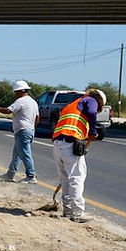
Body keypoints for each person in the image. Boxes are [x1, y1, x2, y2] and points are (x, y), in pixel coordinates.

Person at [52, 88, 106, 223]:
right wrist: (93, 130)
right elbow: (92, 112)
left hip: (58, 144)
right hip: (70, 143)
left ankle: (68, 210)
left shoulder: (71, 105)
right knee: (77, 177)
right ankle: (77, 213)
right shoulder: (91, 100)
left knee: (64, 178)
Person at [0, 80, 39, 183]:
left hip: (22, 131)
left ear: (21, 91)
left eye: (16, 92)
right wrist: (33, 128)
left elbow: (8, 111)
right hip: (29, 130)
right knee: (17, 154)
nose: (15, 94)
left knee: (25, 153)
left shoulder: (21, 101)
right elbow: (37, 117)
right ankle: (10, 174)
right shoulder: (33, 102)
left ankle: (31, 176)